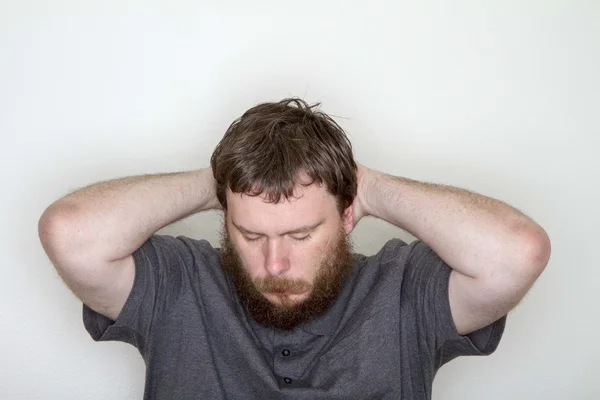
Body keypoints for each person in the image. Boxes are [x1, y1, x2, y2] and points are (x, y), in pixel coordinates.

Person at [38, 98, 551, 399]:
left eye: (301, 235)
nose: (275, 264)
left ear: (348, 214)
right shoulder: (179, 283)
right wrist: (222, 180)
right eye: (251, 234)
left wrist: (366, 185)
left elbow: (518, 252)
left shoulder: (405, 291)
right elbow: (69, 232)